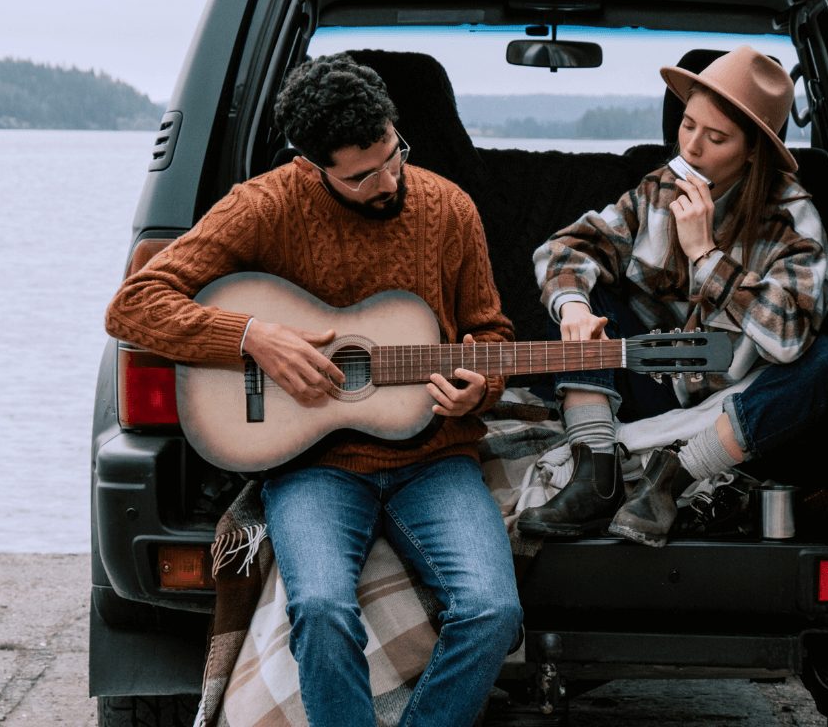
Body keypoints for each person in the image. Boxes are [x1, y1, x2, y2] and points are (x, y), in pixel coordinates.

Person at [105, 53, 521, 727]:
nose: (387, 181)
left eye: (394, 155)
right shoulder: (264, 206)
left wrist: (481, 386)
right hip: (315, 466)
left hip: (436, 460)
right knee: (322, 610)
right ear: (311, 165)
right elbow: (134, 305)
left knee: (493, 613)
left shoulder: (450, 208)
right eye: (361, 176)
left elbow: (491, 330)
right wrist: (251, 337)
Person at [518, 45, 828, 546]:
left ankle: (673, 477)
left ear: (753, 149)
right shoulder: (659, 189)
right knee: (575, 295)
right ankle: (598, 470)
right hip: (656, 380)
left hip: (737, 410)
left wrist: (706, 257)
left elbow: (787, 340)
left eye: (716, 137)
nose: (692, 147)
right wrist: (575, 310)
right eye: (688, 124)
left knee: (827, 364)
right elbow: (565, 248)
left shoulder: (792, 219)